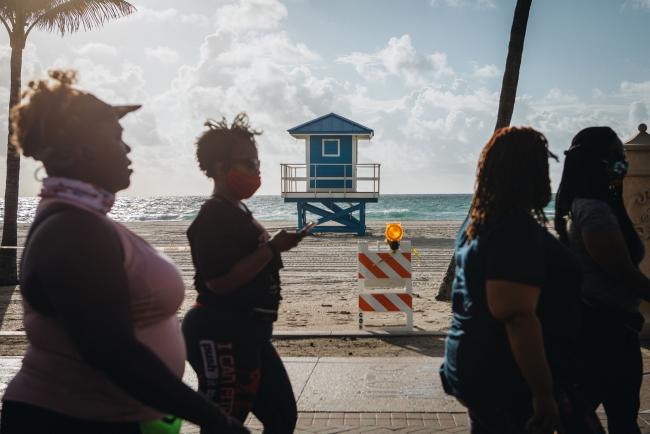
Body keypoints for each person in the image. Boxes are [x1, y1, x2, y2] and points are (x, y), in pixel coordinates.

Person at [0, 71, 248, 434]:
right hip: (69, 422)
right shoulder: (72, 230)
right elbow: (114, 354)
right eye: (116, 138)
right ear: (81, 150)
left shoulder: (81, 218)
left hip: (107, 418)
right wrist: (215, 420)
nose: (128, 149)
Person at [439, 127, 603, 434]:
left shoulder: (478, 220)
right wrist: (543, 394)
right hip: (507, 375)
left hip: (478, 366)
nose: (549, 179)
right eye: (542, 166)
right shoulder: (511, 230)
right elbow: (518, 318)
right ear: (528, 174)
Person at [182, 114, 307, 434]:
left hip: (249, 332)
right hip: (221, 331)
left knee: (281, 416)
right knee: (224, 424)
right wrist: (272, 248)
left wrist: (278, 246)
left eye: (257, 162)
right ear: (222, 167)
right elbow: (219, 282)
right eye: (249, 163)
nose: (256, 171)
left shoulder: (237, 210)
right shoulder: (213, 215)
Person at [555, 126, 650, 434]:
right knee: (621, 421)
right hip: (606, 333)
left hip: (609, 328)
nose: (624, 161)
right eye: (617, 155)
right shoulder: (595, 213)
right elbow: (623, 273)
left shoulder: (593, 205)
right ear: (600, 162)